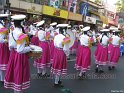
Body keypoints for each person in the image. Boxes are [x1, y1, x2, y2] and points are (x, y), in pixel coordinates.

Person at [4, 15, 32, 93]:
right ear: (22, 22)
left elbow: (10, 46)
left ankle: (16, 90)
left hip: (13, 54)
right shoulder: (21, 34)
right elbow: (20, 50)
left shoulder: (12, 32)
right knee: (19, 74)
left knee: (15, 74)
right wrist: (29, 48)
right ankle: (18, 91)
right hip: (20, 56)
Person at [0, 14, 10, 83]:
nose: (7, 22)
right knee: (3, 61)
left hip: (2, 45)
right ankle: (2, 78)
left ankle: (2, 78)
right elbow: (1, 39)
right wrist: (8, 40)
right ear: (3, 21)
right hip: (3, 46)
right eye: (6, 20)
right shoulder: (3, 29)